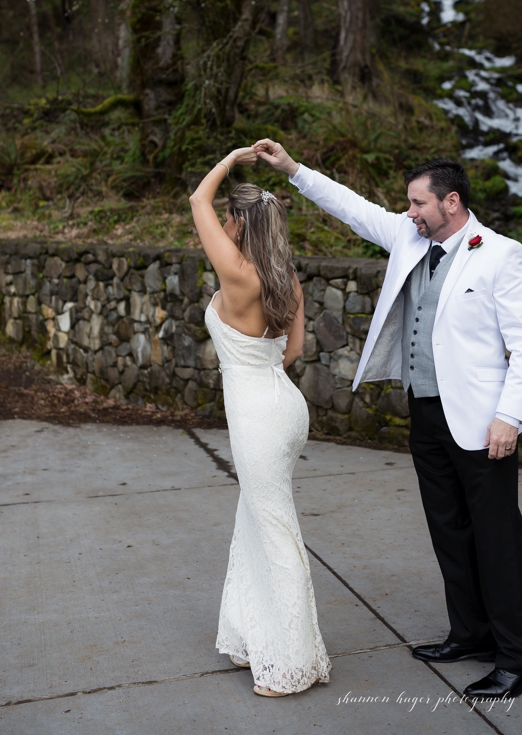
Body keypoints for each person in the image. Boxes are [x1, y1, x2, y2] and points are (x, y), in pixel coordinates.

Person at [251, 139, 522, 700]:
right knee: (449, 531)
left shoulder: (501, 253)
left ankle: (521, 660)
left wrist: (510, 417)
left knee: (498, 539)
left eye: (417, 203)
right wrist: (292, 170)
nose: (408, 213)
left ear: (452, 203)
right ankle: (470, 634)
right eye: (408, 205)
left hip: (483, 422)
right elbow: (352, 207)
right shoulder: (411, 239)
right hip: (427, 412)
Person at [188, 146, 331, 698]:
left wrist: (230, 158)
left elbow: (197, 197)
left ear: (242, 221)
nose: (222, 222)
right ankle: (255, 637)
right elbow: (291, 353)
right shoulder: (285, 280)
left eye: (231, 217)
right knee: (255, 521)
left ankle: (294, 663)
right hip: (285, 407)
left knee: (275, 532)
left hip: (257, 416)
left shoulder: (236, 273)